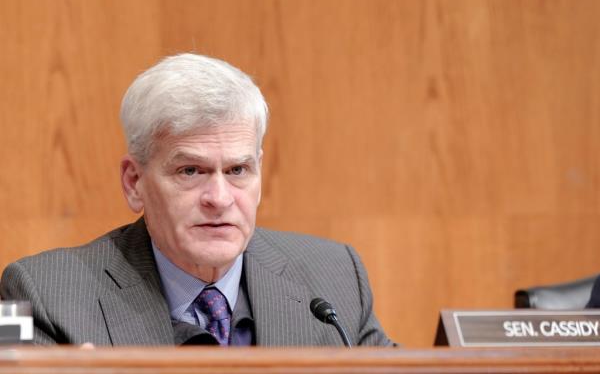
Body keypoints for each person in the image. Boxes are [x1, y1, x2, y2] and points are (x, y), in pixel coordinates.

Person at [0, 54, 393, 346]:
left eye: (237, 170)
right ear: (134, 182)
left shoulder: (336, 278)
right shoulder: (38, 293)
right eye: (190, 171)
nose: (219, 198)